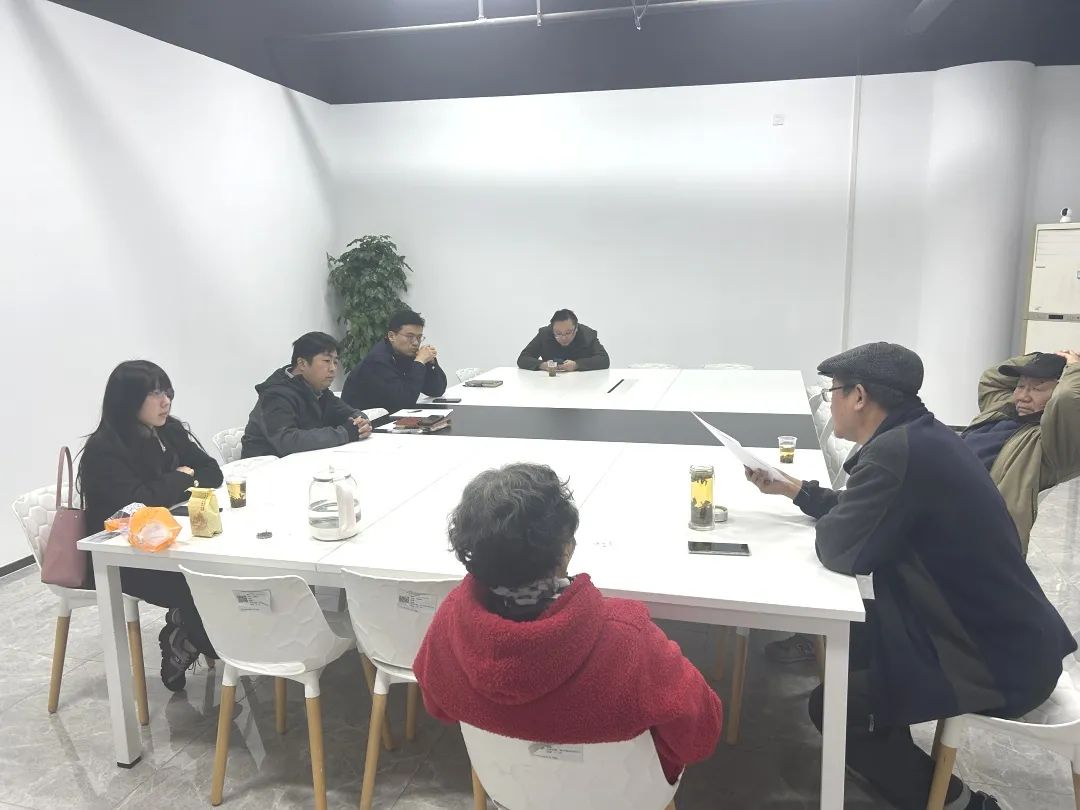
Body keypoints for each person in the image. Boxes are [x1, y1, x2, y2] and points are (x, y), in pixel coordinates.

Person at [745, 342, 1075, 810]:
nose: (830, 402)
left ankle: (963, 803)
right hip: (1002, 634)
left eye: (832, 392)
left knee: (837, 706)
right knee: (847, 639)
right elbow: (867, 509)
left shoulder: (895, 453)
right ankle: (889, 740)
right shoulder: (918, 436)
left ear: (859, 396)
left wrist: (828, 515)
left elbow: (840, 549)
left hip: (989, 658)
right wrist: (797, 490)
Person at [413, 463, 722, 785]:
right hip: (623, 793)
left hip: (508, 785)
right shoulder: (629, 638)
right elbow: (700, 736)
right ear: (565, 551)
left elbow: (439, 707)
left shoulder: (449, 621)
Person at [79, 360, 224, 691]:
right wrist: (181, 478)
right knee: (206, 583)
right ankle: (192, 639)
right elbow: (136, 505)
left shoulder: (169, 430)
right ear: (128, 399)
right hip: (128, 559)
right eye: (154, 394)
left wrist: (176, 482)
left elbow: (211, 472)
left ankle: (186, 631)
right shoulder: (105, 449)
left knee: (224, 572)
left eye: (167, 392)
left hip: (168, 542)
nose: (165, 401)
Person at [961, 350, 1080, 554]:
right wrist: (1040, 359)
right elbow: (992, 377)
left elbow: (1067, 397)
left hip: (973, 528)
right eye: (1020, 386)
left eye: (1037, 389)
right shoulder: (1002, 409)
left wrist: (1075, 368)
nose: (1022, 397)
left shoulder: (1054, 443)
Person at [242, 332, 372, 458]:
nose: (333, 368)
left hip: (304, 461)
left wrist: (360, 423)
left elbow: (350, 413)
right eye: (327, 361)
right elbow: (287, 441)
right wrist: (344, 433)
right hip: (264, 466)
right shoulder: (275, 395)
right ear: (302, 363)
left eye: (335, 362)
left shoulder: (318, 390)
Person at [341, 310, 447, 413]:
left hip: (389, 416)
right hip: (364, 421)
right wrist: (419, 362)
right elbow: (404, 403)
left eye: (419, 337)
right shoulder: (378, 361)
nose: (415, 343)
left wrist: (430, 363)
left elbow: (436, 390)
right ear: (391, 336)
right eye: (410, 337)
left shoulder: (405, 353)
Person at [516, 309, 610, 372]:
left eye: (568, 333)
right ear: (552, 330)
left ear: (576, 328)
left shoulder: (587, 335)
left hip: (582, 384)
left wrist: (577, 365)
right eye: (558, 333)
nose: (563, 338)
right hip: (550, 384)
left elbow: (604, 359)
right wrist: (543, 365)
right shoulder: (544, 334)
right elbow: (523, 358)